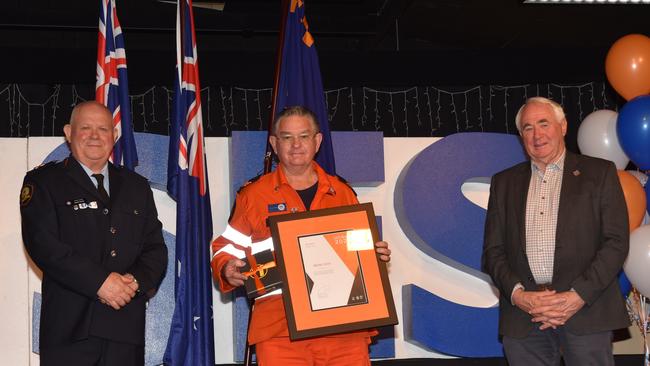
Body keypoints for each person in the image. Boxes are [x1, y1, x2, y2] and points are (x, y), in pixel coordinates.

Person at [211, 105, 391, 366]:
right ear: (274, 143)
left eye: (304, 136)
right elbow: (225, 247)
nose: (296, 145)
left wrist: (374, 254)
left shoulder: (342, 192)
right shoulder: (253, 196)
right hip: (280, 331)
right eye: (287, 137)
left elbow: (357, 249)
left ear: (317, 141)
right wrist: (226, 267)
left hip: (344, 328)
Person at [482, 97, 630, 366]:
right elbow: (493, 252)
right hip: (524, 316)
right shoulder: (503, 183)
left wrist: (576, 297)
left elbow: (616, 242)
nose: (537, 134)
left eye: (543, 123)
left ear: (562, 127)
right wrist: (519, 296)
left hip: (586, 310)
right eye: (527, 128)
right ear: (521, 136)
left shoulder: (600, 173)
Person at [20, 101, 167, 366]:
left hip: (124, 330)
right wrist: (101, 282)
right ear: (68, 132)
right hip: (70, 331)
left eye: (103, 128)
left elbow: (155, 249)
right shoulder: (44, 182)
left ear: (115, 135)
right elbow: (44, 245)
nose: (95, 136)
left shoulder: (137, 187)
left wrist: (134, 282)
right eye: (85, 128)